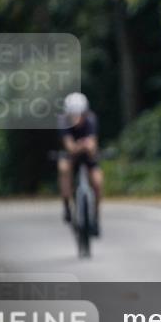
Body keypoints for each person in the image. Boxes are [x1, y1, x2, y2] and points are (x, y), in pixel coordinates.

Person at [57, 92, 103, 231]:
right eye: (73, 114)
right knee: (63, 168)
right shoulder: (63, 122)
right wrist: (83, 145)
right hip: (72, 156)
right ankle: (67, 206)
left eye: (79, 114)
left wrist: (85, 146)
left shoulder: (91, 120)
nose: (76, 118)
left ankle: (95, 216)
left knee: (98, 181)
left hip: (88, 156)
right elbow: (69, 146)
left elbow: (93, 146)